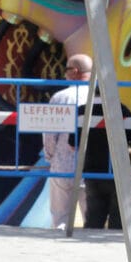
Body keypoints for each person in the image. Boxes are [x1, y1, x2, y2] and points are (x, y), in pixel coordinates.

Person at [40, 54, 92, 229]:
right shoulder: (100, 98)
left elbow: (49, 134)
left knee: (61, 218)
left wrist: (50, 157)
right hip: (92, 166)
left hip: (62, 165)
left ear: (75, 72)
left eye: (67, 69)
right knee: (91, 219)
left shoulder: (60, 98)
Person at [80, 90, 131, 230]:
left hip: (91, 172)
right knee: (119, 224)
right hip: (120, 173)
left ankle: (88, 249)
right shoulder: (121, 110)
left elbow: (73, 142)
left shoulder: (81, 110)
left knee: (93, 222)